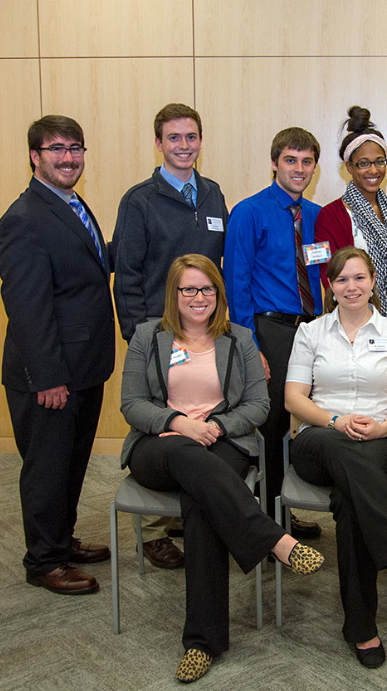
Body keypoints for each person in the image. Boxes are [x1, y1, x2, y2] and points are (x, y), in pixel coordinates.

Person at [120, 254, 324, 683]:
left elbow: (258, 405)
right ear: (173, 294)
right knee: (184, 455)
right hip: (159, 446)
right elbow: (132, 404)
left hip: (222, 441)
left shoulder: (240, 339)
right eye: (189, 289)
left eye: (207, 289)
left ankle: (201, 642)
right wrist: (179, 424)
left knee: (202, 504)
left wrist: (213, 426)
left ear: (219, 294)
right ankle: (272, 539)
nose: (198, 297)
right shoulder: (146, 337)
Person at [286, 247, 387, 669]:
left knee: (352, 503)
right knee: (343, 454)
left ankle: (361, 628)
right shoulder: (311, 332)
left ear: (373, 282)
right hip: (319, 438)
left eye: (359, 278)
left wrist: (384, 426)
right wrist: (336, 420)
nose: (351, 286)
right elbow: (293, 398)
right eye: (342, 279)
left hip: (379, 440)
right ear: (331, 286)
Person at [110, 103, 243, 568]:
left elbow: (220, 265)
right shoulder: (139, 200)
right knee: (158, 419)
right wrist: (137, 337)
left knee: (202, 413)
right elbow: (125, 273)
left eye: (191, 137)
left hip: (205, 331)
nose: (184, 146)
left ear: (201, 141)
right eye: (174, 138)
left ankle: (191, 505)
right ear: (159, 143)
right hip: (158, 331)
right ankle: (153, 531)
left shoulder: (212, 195)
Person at [0, 115, 114, 595]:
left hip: (83, 366)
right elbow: (27, 308)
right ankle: (43, 561)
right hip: (49, 375)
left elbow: (85, 267)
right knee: (46, 469)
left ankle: (61, 541)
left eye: (76, 148)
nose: (68, 157)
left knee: (71, 462)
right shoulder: (23, 219)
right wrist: (47, 377)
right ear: (35, 156)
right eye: (57, 149)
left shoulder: (70, 203)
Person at [223, 127, 325, 537]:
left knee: (295, 422)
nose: (299, 169)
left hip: (311, 328)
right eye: (290, 160)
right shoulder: (249, 212)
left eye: (306, 161)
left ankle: (281, 509)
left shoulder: (317, 216)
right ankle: (266, 520)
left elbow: (324, 273)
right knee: (270, 423)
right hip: (269, 328)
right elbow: (236, 282)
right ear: (274, 163)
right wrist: (250, 345)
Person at [315, 106, 387, 322]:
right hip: (355, 318)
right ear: (349, 167)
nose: (374, 170)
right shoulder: (331, 216)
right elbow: (327, 273)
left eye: (380, 161)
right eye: (364, 163)